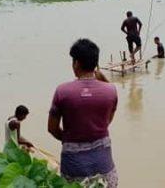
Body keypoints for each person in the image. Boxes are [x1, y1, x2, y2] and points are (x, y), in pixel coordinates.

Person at [48, 38, 118, 188]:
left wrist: (68, 138)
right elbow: (106, 122)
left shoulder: (62, 91)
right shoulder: (111, 91)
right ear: (96, 63)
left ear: (76, 63)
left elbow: (52, 129)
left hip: (74, 170)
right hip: (105, 168)